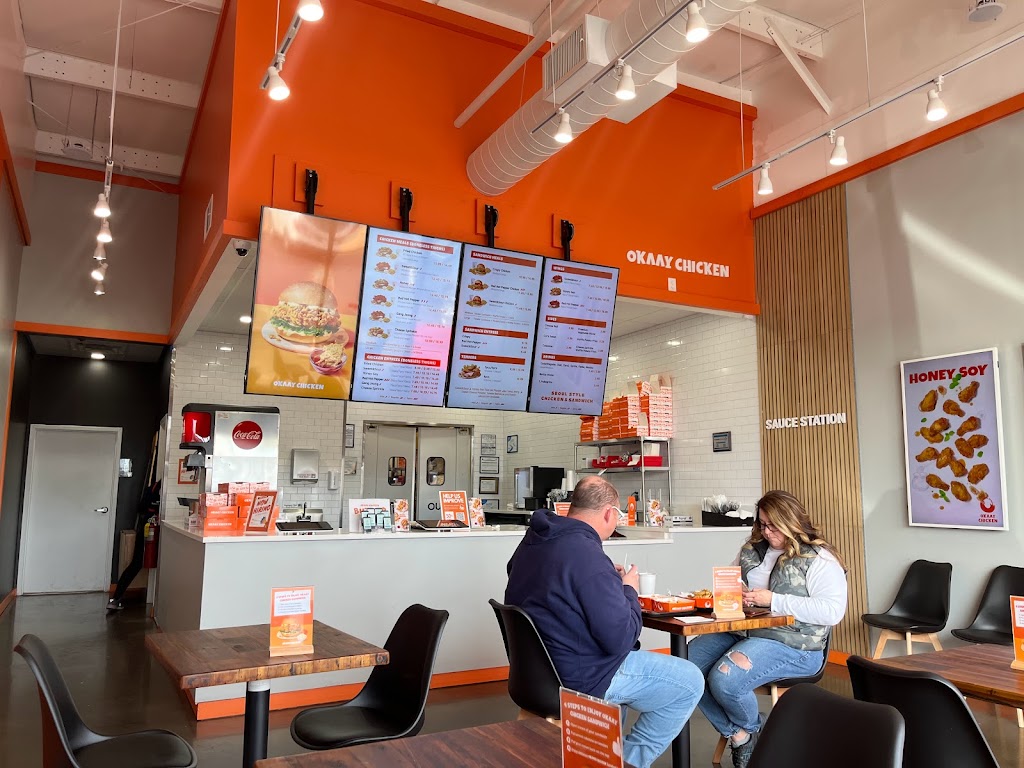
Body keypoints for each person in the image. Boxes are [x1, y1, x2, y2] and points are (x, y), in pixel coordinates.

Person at [505, 476, 704, 768]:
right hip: (581, 677)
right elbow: (619, 639)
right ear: (610, 513)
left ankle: (608, 757)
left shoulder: (535, 541)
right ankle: (630, 762)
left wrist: (607, 580)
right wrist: (629, 589)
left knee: (629, 691)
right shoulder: (587, 555)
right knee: (690, 681)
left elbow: (554, 588)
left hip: (533, 676)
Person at [688, 490, 848, 768]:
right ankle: (743, 735)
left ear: (790, 522)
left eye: (773, 526)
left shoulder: (819, 558)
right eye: (762, 524)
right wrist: (733, 592)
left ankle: (749, 734)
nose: (766, 531)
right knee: (684, 669)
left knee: (725, 680)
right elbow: (731, 582)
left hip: (795, 643)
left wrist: (773, 600)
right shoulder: (752, 550)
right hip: (743, 631)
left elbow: (832, 611)